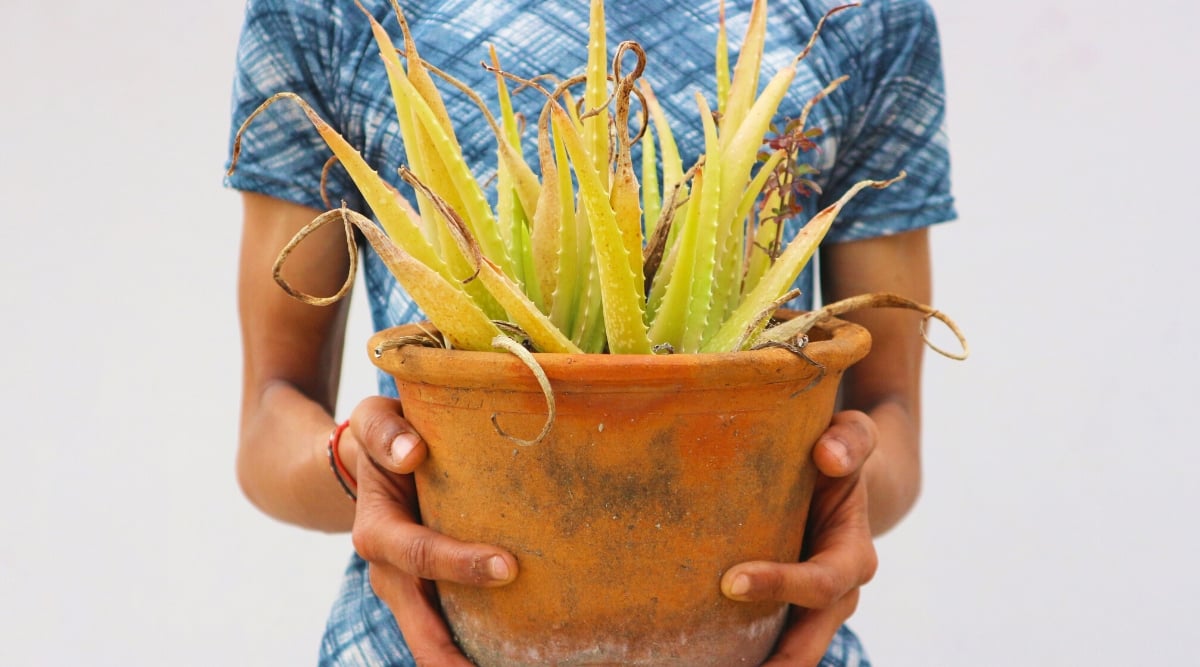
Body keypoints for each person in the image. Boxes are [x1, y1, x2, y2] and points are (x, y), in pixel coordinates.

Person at [226, 0, 955, 664]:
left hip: (754, 632)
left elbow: (889, 424)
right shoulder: (323, 13)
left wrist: (841, 488)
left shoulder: (866, 16)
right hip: (417, 640)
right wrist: (359, 466)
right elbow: (270, 413)